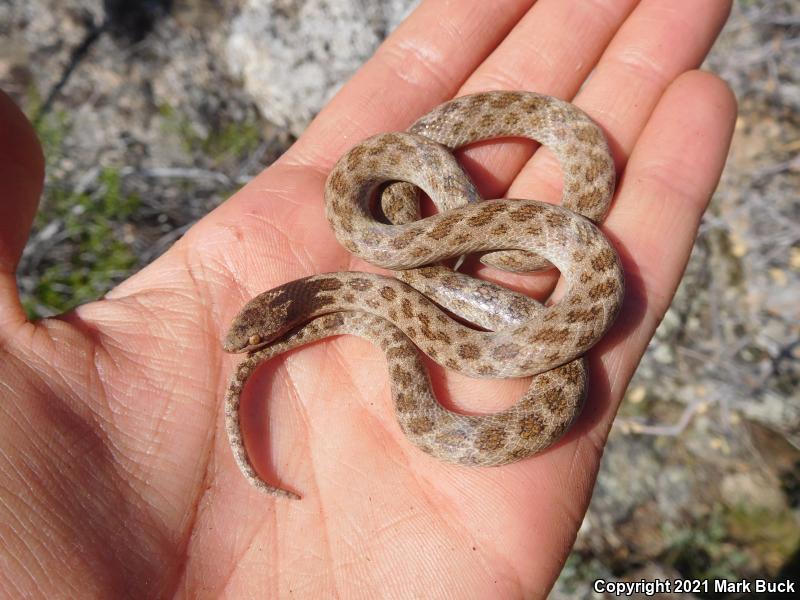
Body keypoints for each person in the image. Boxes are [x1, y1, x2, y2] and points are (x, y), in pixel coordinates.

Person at [0, 0, 736, 597]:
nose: (252, 338)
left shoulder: (415, 248)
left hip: (466, 252)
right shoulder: (365, 219)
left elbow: (468, 257)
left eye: (262, 331)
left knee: (526, 309)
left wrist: (465, 248)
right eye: (261, 330)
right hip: (427, 249)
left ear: (296, 309)